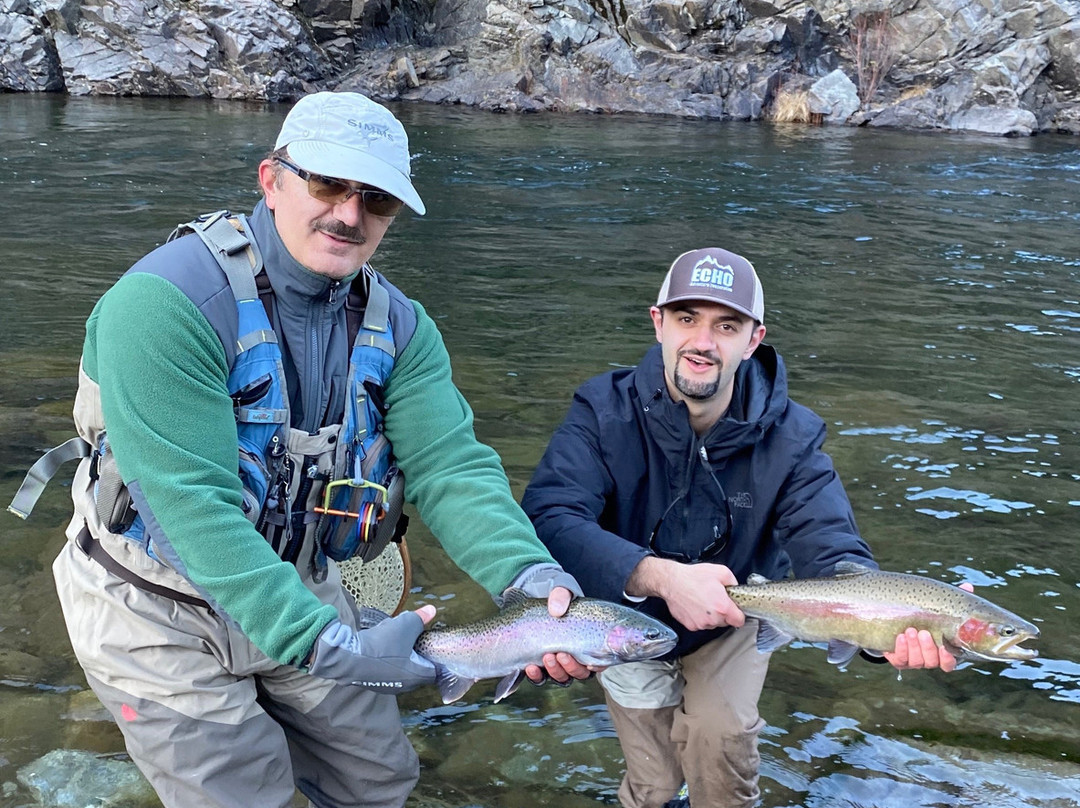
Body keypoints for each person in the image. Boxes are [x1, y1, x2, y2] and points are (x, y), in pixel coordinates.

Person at [33, 92, 591, 808]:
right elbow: (187, 508)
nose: (350, 215)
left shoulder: (403, 329)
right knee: (243, 794)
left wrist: (528, 578)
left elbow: (450, 466)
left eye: (377, 199)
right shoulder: (164, 303)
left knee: (377, 779)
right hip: (152, 601)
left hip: (298, 582)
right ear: (271, 180)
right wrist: (327, 646)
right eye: (328, 185)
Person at [521, 247, 967, 808]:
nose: (703, 341)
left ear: (754, 340)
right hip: (622, 618)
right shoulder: (601, 410)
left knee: (721, 750)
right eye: (687, 319)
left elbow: (830, 548)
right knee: (654, 784)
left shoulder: (793, 437)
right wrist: (659, 577)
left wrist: (887, 631)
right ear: (658, 323)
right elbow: (550, 517)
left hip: (739, 617)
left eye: (726, 326)